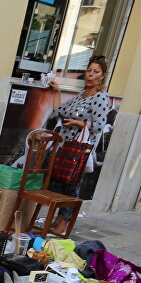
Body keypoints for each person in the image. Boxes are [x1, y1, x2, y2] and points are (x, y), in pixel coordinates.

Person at [45, 55, 116, 233]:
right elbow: (59, 111)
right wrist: (57, 92)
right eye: (89, 70)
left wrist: (79, 124)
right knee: (59, 184)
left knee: (71, 185)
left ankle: (65, 222)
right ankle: (59, 217)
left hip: (80, 149)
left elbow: (99, 126)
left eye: (96, 72)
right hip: (64, 147)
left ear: (102, 76)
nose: (91, 75)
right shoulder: (81, 96)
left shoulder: (101, 97)